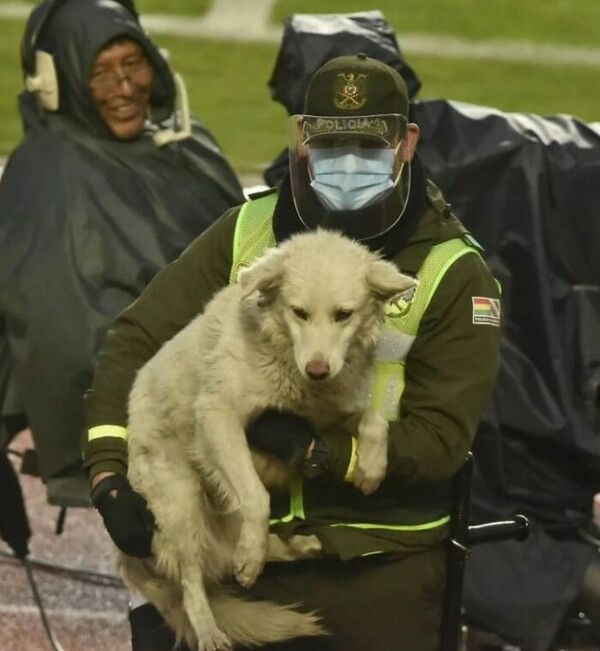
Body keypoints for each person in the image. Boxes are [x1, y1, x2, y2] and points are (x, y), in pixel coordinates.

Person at [83, 54, 502, 651]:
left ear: (405, 144)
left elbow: (440, 442)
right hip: (233, 545)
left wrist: (318, 452)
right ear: (302, 139)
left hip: (378, 567)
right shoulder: (245, 232)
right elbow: (136, 341)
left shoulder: (452, 272)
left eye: (369, 146)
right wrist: (106, 472)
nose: (348, 164)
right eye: (330, 145)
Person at [0, 0, 244, 507]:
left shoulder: (188, 143)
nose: (126, 87)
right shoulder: (50, 177)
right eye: (101, 73)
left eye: (133, 64)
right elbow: (65, 336)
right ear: (59, 81)